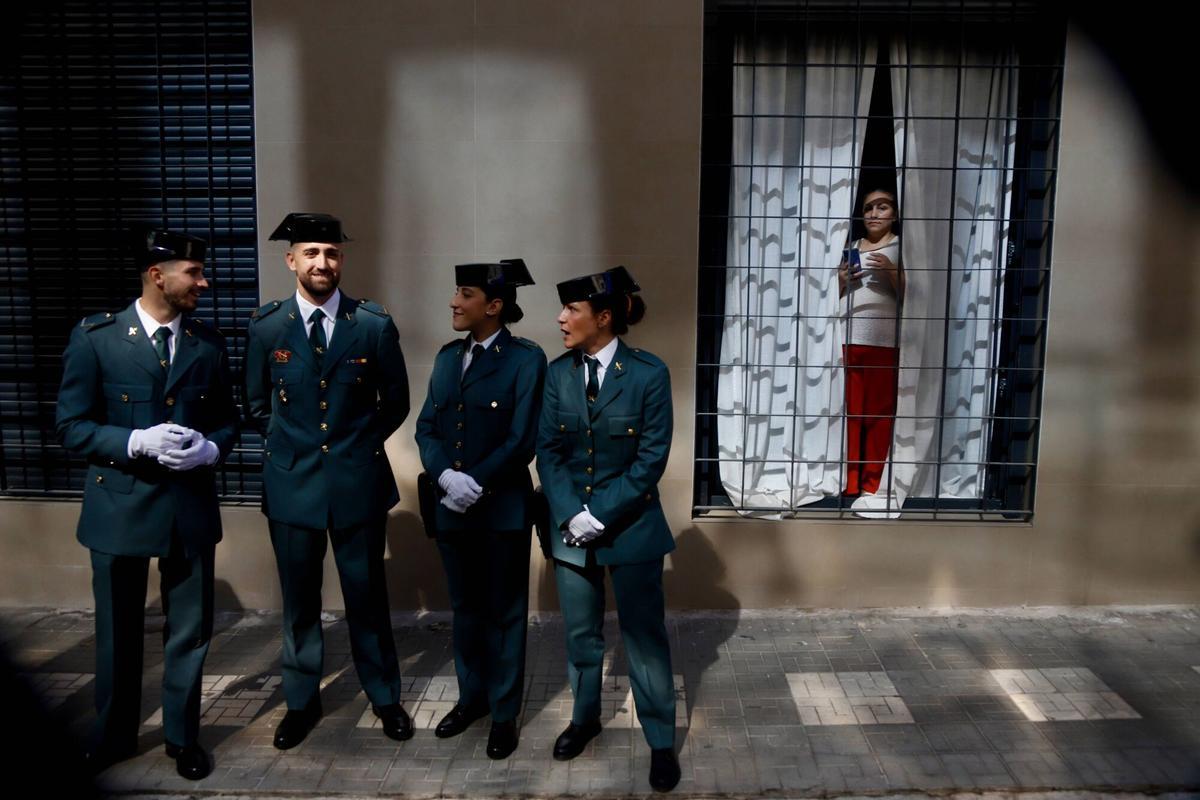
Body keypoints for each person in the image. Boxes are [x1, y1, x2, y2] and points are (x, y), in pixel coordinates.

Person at [55, 228, 238, 780]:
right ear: (158, 276)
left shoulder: (208, 342)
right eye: (194, 273)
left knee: (189, 629)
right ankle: (113, 736)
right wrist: (133, 442)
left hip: (189, 507)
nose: (203, 282)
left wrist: (210, 448)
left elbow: (228, 419)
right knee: (117, 630)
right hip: (119, 507)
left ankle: (182, 739)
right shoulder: (98, 338)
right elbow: (71, 425)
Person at [244, 213, 411, 749]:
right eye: (312, 253)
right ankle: (301, 702)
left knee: (367, 597)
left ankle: (385, 696)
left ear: (342, 260)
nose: (323, 263)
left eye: (332, 253)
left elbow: (397, 401)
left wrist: (358, 447)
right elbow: (252, 402)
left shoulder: (373, 324)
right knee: (300, 603)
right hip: (292, 486)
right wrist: (291, 446)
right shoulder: (267, 326)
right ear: (291, 260)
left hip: (356, 485)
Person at [535, 266, 681, 792]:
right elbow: (548, 451)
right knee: (580, 635)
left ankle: (660, 740)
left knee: (643, 638)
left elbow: (651, 457)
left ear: (603, 316)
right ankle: (585, 718)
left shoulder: (648, 374)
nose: (560, 318)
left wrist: (602, 514)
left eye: (570, 310)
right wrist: (572, 512)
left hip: (632, 529)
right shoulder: (558, 373)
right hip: (572, 530)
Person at [414, 259, 546, 759]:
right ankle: (472, 699)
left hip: (501, 510)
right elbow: (427, 427)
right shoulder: (448, 358)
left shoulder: (525, 359)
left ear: (493, 306)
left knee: (506, 613)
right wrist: (445, 475)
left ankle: (505, 714)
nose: (453, 302)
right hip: (451, 506)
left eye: (464, 294)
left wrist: (477, 480)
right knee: (466, 611)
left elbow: (522, 438)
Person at [838, 188, 903, 497]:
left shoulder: (902, 247)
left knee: (878, 415)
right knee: (850, 413)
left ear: (895, 213)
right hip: (847, 341)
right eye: (869, 208)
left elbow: (916, 295)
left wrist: (891, 271)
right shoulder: (850, 245)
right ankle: (849, 482)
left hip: (884, 343)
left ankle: (872, 484)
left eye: (883, 206)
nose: (874, 213)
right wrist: (840, 279)